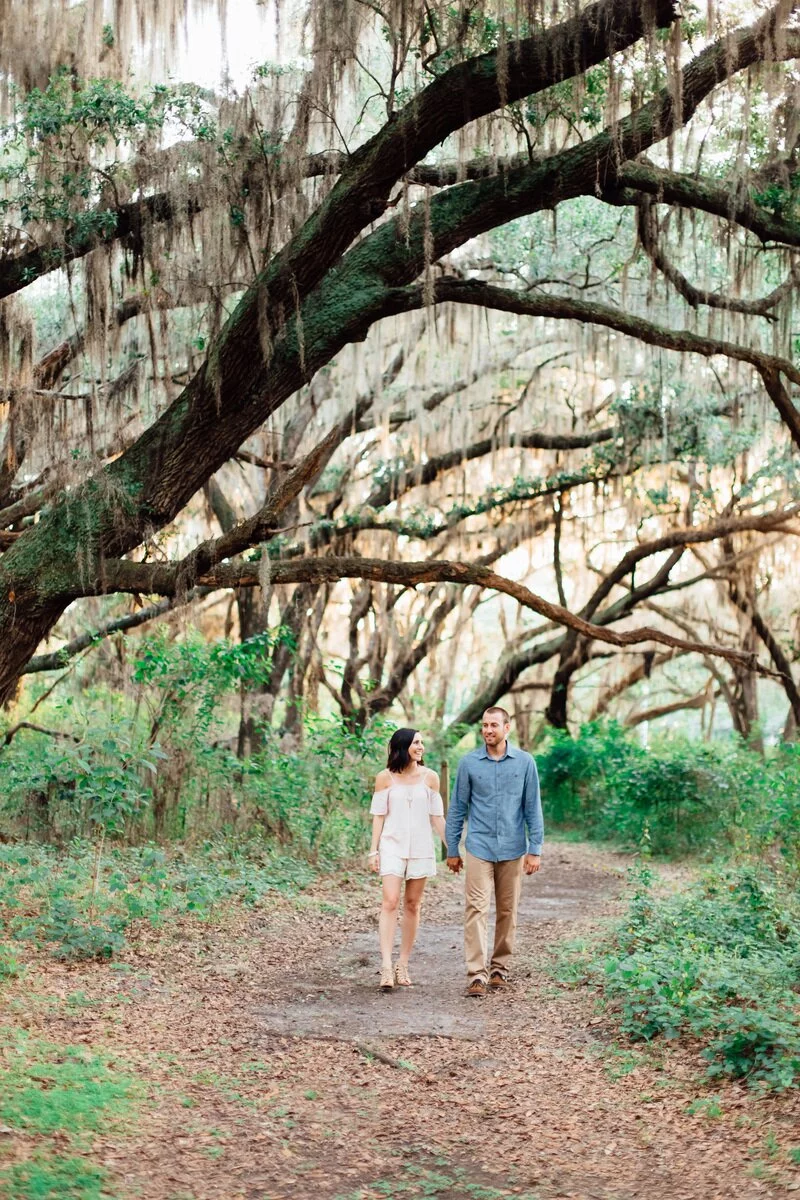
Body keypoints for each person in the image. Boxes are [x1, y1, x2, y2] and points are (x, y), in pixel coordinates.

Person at [445, 707, 543, 997]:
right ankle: (477, 974)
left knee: (507, 910)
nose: (488, 730)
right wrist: (453, 848)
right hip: (479, 846)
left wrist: (534, 849)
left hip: (513, 848)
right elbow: (458, 808)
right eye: (484, 725)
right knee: (476, 908)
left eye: (494, 725)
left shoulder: (525, 763)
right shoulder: (469, 763)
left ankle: (500, 968)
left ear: (507, 728)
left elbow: (532, 808)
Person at [368, 728, 447, 992]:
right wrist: (373, 850)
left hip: (421, 848)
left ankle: (403, 962)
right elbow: (378, 816)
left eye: (422, 742)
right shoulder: (385, 778)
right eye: (416, 742)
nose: (421, 746)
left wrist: (454, 849)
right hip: (391, 846)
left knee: (413, 904)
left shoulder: (431, 778)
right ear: (402, 746)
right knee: (390, 901)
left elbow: (437, 817)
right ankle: (387, 966)